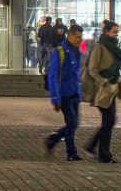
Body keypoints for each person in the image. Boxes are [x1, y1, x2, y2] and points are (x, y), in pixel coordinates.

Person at [84, 19, 121, 163]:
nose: (116, 35)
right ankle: (102, 154)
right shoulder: (99, 46)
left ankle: (94, 147)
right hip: (102, 90)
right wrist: (104, 81)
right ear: (106, 31)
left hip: (111, 89)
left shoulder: (113, 47)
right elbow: (92, 68)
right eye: (114, 32)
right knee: (110, 120)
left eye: (117, 32)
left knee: (109, 120)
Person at [45, 24, 85, 161]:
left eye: (81, 37)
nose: (80, 39)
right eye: (77, 37)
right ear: (70, 35)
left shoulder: (77, 52)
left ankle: (53, 138)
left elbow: (77, 75)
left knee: (74, 124)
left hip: (74, 93)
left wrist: (79, 94)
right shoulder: (60, 52)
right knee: (72, 123)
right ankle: (71, 153)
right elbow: (53, 76)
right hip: (65, 95)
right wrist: (56, 99)